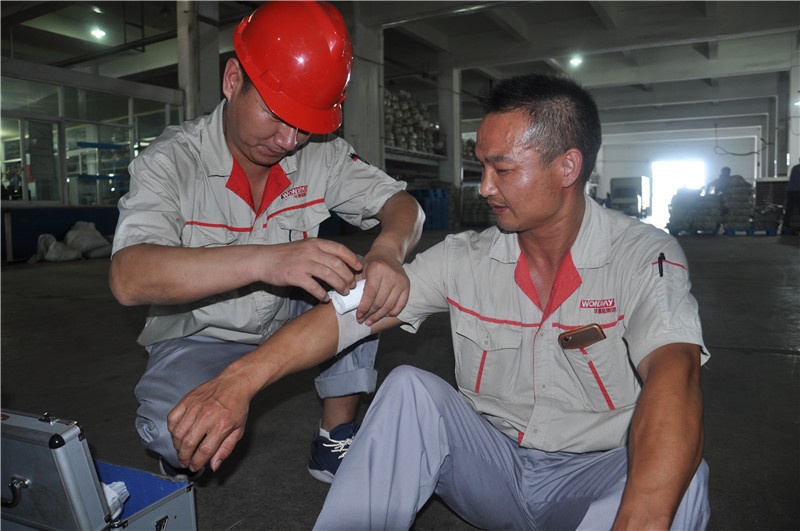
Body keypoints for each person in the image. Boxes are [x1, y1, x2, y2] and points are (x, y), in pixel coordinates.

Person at [166, 73, 710, 529]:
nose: (485, 187)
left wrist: (642, 516)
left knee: (681, 476)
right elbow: (345, 317)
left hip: (594, 481)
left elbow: (675, 374)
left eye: (503, 169)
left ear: (567, 167)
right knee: (409, 390)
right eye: (482, 167)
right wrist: (238, 382)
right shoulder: (464, 259)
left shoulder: (643, 257)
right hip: (493, 469)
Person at [109, 0, 424, 483]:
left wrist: (388, 250)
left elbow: (403, 206)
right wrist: (266, 260)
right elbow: (129, 278)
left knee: (367, 283)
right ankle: (182, 443)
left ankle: (334, 438)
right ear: (232, 80)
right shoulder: (170, 162)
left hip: (288, 313)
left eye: (305, 125)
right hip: (201, 333)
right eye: (276, 114)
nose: (289, 140)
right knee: (177, 436)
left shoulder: (321, 154)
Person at [782, 157, 800, 231]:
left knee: (789, 209)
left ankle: (785, 225)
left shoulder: (795, 168)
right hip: (797, 191)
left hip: (790, 191)